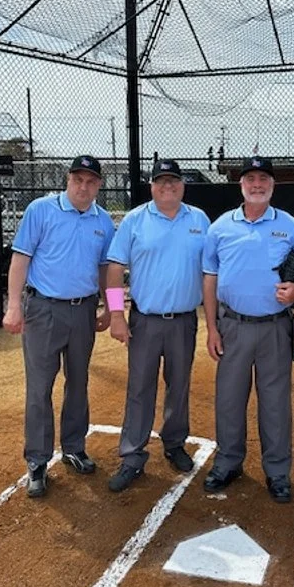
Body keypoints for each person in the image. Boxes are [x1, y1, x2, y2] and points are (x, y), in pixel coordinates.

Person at [202, 156, 294, 503]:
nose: (257, 184)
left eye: (263, 178)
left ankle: (277, 471)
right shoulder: (220, 227)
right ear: (241, 185)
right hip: (232, 324)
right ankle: (228, 462)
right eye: (250, 178)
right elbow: (210, 278)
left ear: (272, 185)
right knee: (229, 400)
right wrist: (211, 327)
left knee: (275, 403)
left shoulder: (292, 227)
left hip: (275, 328)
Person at [3, 155, 116, 498]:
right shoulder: (42, 209)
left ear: (98, 185)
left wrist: (111, 309)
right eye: (78, 179)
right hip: (43, 309)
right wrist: (13, 306)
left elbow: (106, 270)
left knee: (78, 382)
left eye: (91, 181)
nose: (84, 186)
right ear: (68, 180)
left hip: (82, 311)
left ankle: (73, 447)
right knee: (40, 387)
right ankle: (37, 460)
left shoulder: (104, 221)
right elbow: (20, 259)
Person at [106, 158, 210, 492]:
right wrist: (116, 314)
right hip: (145, 320)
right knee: (140, 388)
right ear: (151, 186)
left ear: (182, 185)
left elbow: (211, 271)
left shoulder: (199, 219)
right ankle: (132, 455)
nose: (168, 186)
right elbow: (113, 269)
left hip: (183, 320)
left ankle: (174, 443)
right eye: (161, 181)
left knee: (178, 385)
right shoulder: (135, 220)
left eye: (173, 181)